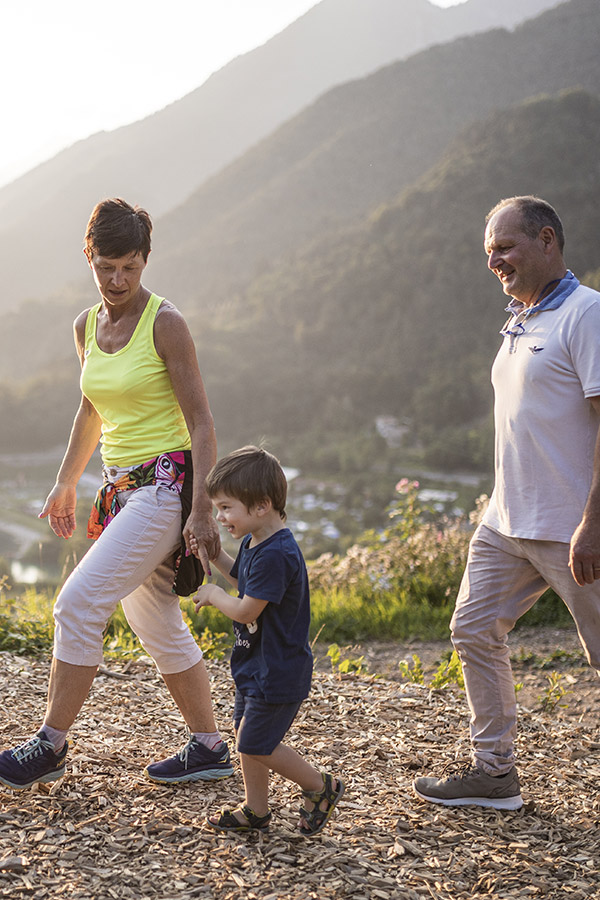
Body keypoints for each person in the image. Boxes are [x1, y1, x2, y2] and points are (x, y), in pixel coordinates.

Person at [0, 198, 234, 790]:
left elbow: (203, 422)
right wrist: (63, 483)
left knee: (77, 603)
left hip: (166, 486)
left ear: (144, 260)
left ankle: (50, 744)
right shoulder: (85, 325)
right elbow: (91, 407)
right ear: (90, 257)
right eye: (106, 266)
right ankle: (208, 747)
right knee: (150, 616)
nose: (118, 280)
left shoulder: (166, 323)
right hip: (119, 490)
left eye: (129, 266)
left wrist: (202, 509)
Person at [413, 195, 600, 810]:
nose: (495, 259)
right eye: (489, 250)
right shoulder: (522, 318)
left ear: (548, 241)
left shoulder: (585, 313)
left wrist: (593, 523)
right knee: (472, 628)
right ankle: (494, 773)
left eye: (506, 246)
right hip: (505, 522)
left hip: (572, 525)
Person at [193, 445, 344, 835]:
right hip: (256, 664)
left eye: (226, 508)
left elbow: (246, 609)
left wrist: (213, 595)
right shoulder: (256, 541)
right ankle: (256, 809)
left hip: (278, 669)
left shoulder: (277, 553)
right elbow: (246, 583)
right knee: (247, 736)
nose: (220, 516)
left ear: (261, 505)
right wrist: (216, 555)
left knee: (254, 743)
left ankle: (319, 786)